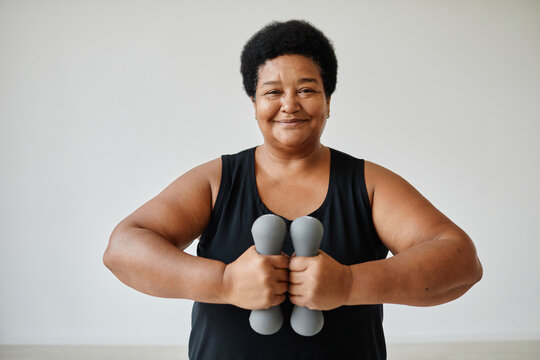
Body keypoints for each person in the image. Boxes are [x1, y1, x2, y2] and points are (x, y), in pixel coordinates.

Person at [103, 20, 483, 359]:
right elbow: (122, 249)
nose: (289, 105)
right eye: (272, 92)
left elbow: (461, 261)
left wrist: (350, 285)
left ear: (328, 102)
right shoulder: (215, 180)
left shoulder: (369, 185)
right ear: (253, 104)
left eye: (306, 90)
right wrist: (225, 283)